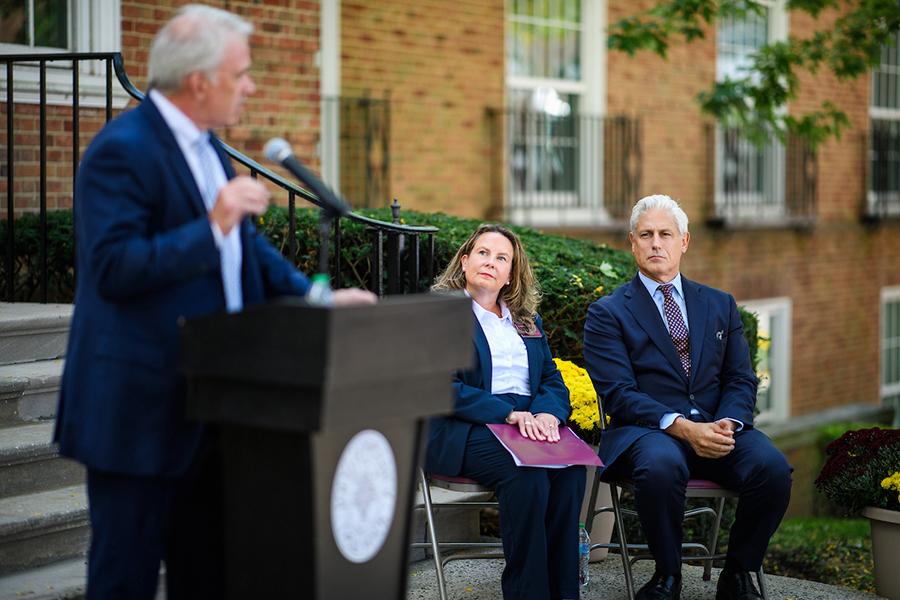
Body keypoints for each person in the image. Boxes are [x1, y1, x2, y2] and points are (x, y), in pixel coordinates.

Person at [54, 5, 375, 599]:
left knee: (210, 575)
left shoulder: (210, 149)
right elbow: (112, 268)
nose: (251, 86)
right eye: (242, 73)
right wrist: (213, 223)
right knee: (123, 579)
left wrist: (315, 298)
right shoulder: (120, 150)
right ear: (200, 80)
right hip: (141, 409)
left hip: (218, 400)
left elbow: (245, 251)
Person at [583, 195, 792, 600]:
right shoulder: (608, 313)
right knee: (660, 466)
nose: (656, 243)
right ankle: (667, 576)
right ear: (632, 242)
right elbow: (619, 394)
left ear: (685, 242)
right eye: (646, 235)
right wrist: (681, 426)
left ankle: (737, 573)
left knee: (773, 469)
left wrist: (728, 423)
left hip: (717, 424)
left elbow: (740, 378)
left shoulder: (719, 304)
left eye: (666, 234)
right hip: (649, 431)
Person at [426, 224, 586, 600]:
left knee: (571, 471)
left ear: (510, 274)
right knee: (525, 473)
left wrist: (549, 414)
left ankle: (564, 593)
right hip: (464, 425)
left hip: (528, 421)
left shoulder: (527, 321)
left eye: (502, 258)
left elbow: (550, 379)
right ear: (465, 261)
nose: (490, 263)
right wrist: (506, 413)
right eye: (483, 253)